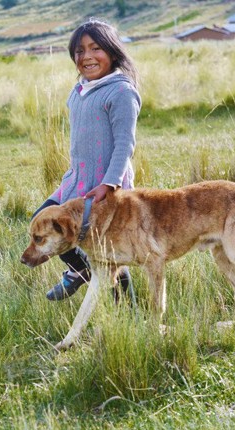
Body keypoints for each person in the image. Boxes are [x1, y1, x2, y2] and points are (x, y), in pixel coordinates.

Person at [32, 18, 141, 302]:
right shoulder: (78, 91)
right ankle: (80, 271)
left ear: (112, 52)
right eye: (80, 51)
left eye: (96, 48)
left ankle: (128, 309)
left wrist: (110, 183)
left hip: (105, 188)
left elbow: (124, 145)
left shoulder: (121, 91)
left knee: (107, 249)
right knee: (43, 222)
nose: (87, 56)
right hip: (76, 182)